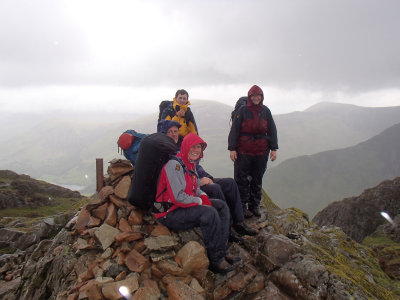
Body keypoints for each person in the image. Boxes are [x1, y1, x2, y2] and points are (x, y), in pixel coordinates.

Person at [157, 120, 258, 240]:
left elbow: (195, 166)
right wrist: (200, 181)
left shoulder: (180, 144)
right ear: (163, 134)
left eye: (175, 131)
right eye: (170, 132)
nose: (174, 134)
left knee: (230, 183)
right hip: (191, 185)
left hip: (198, 178)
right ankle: (227, 229)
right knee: (215, 188)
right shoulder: (165, 152)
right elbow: (176, 180)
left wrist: (208, 178)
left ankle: (239, 222)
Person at [153, 133, 236, 273]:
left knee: (221, 206)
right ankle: (216, 260)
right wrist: (199, 201)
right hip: (169, 212)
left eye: (199, 147)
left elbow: (195, 188)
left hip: (182, 206)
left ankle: (222, 250)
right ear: (185, 146)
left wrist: (203, 195)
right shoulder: (175, 165)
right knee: (208, 213)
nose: (196, 150)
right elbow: (177, 197)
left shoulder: (190, 165)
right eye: (193, 146)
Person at [228, 85, 278, 218]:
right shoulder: (243, 110)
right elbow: (235, 130)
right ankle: (242, 206)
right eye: (253, 96)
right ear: (250, 97)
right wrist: (232, 149)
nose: (256, 98)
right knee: (242, 179)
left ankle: (254, 205)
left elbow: (272, 130)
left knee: (257, 178)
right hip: (244, 151)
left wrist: (274, 149)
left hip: (261, 152)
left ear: (261, 97)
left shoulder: (265, 111)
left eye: (258, 96)